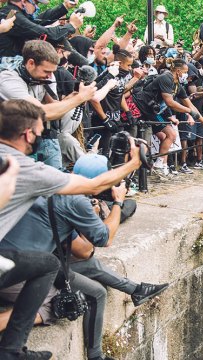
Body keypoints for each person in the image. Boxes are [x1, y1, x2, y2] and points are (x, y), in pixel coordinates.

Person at [0, 100, 141, 359]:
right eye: (40, 131)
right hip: (9, 269)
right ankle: (11, 349)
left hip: (12, 256)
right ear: (27, 134)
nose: (41, 136)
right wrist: (128, 175)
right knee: (57, 293)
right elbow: (94, 244)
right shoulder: (25, 170)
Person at [1, 153, 168, 360]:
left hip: (20, 260)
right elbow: (94, 245)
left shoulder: (51, 184)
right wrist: (117, 202)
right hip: (22, 271)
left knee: (96, 289)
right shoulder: (75, 202)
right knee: (56, 304)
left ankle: (98, 352)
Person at [0, 40, 97, 168]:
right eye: (46, 71)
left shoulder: (44, 76)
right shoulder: (8, 80)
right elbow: (42, 112)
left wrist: (73, 97)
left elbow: (55, 107)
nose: (50, 76)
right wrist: (79, 98)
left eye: (52, 72)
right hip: (11, 145)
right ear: (31, 63)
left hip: (39, 138)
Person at [0, 0, 83, 57]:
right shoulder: (13, 16)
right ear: (24, 2)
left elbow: (38, 22)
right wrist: (71, 25)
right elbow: (47, 34)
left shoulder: (13, 12)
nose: (36, 7)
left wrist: (65, 7)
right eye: (36, 4)